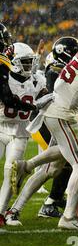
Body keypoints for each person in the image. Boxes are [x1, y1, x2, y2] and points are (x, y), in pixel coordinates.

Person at [12, 23, 78, 230]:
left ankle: (26, 166)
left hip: (59, 110)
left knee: (57, 163)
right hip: (64, 114)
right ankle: (69, 217)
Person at [0, 43, 46, 225]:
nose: (29, 66)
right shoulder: (4, 78)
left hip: (19, 132)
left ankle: (1, 212)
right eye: (25, 62)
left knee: (12, 174)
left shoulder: (37, 80)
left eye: (30, 62)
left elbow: (45, 93)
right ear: (15, 63)